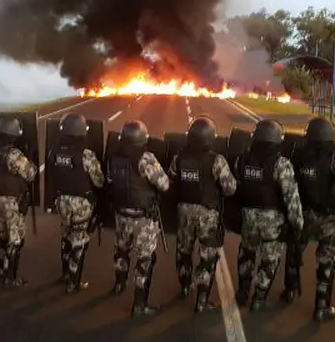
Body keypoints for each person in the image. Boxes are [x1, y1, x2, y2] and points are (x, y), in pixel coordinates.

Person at [280, 117, 335, 321]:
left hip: (302, 215)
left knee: (293, 253)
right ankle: (321, 306)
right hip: (328, 219)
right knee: (326, 263)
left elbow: (288, 184)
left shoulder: (296, 154)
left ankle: (290, 291)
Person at [168, 116, 237, 313]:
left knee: (184, 252)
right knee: (208, 257)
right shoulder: (217, 160)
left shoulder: (179, 157)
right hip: (207, 213)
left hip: (184, 212)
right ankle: (202, 300)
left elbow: (170, 180)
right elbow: (230, 188)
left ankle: (184, 287)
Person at [234, 119, 303, 311]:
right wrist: (297, 225)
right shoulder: (282, 164)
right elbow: (292, 198)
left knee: (246, 255)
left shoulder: (242, 159)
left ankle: (242, 292)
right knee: (269, 260)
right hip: (272, 223)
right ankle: (259, 297)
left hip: (248, 220)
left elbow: (236, 187)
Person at [106, 120, 170, 317]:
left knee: (121, 251)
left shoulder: (114, 157)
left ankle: (119, 284)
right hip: (143, 219)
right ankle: (140, 304)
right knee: (145, 260)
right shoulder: (146, 159)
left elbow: (109, 181)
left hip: (121, 215)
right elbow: (164, 184)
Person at [47, 113, 105, 293]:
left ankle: (64, 274)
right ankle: (73, 281)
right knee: (78, 241)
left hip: (61, 201)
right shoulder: (86, 155)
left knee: (66, 236)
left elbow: (51, 174)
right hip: (81, 203)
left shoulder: (54, 151)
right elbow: (99, 181)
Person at [0, 117, 37, 287]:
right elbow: (30, 174)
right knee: (16, 240)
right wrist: (33, 164)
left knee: (2, 235)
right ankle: (11, 277)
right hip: (12, 200)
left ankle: (0, 270)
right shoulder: (13, 154)